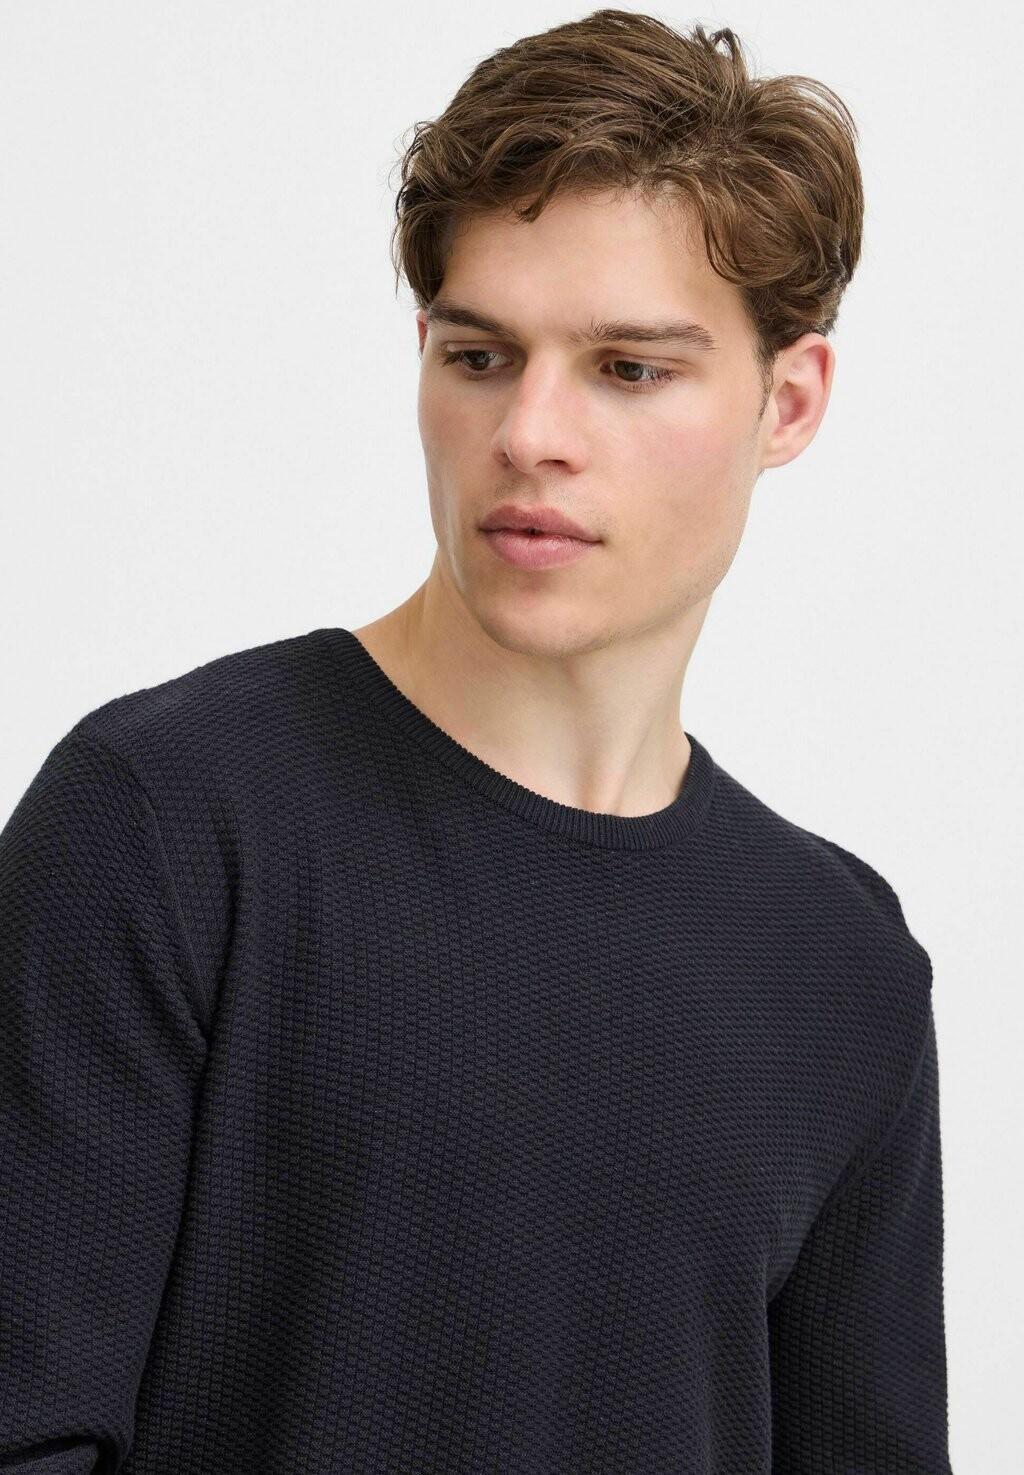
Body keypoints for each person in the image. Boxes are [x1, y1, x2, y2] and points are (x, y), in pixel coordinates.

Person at [0, 11, 954, 1472]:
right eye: (481, 354)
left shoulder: (840, 964)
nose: (529, 433)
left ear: (790, 401)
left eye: (629, 369)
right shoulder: (165, 823)